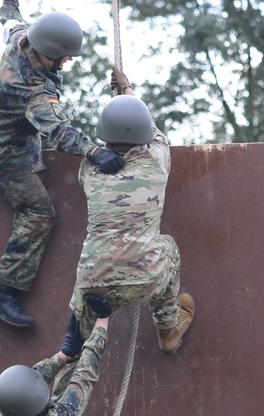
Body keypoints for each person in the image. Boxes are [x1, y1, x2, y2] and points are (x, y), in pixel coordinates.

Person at [0, 0, 125, 329]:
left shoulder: (23, 38)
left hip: (15, 136)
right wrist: (95, 153)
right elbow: (56, 131)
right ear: (48, 54)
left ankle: (1, 290)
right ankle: (1, 291)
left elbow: (10, 20)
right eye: (65, 58)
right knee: (39, 213)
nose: (67, 63)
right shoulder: (33, 89)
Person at [57, 72, 194, 361]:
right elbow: (151, 126)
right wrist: (127, 88)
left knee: (90, 270)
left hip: (95, 283)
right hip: (144, 279)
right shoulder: (157, 160)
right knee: (168, 245)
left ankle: (73, 350)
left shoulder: (89, 170)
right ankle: (167, 328)